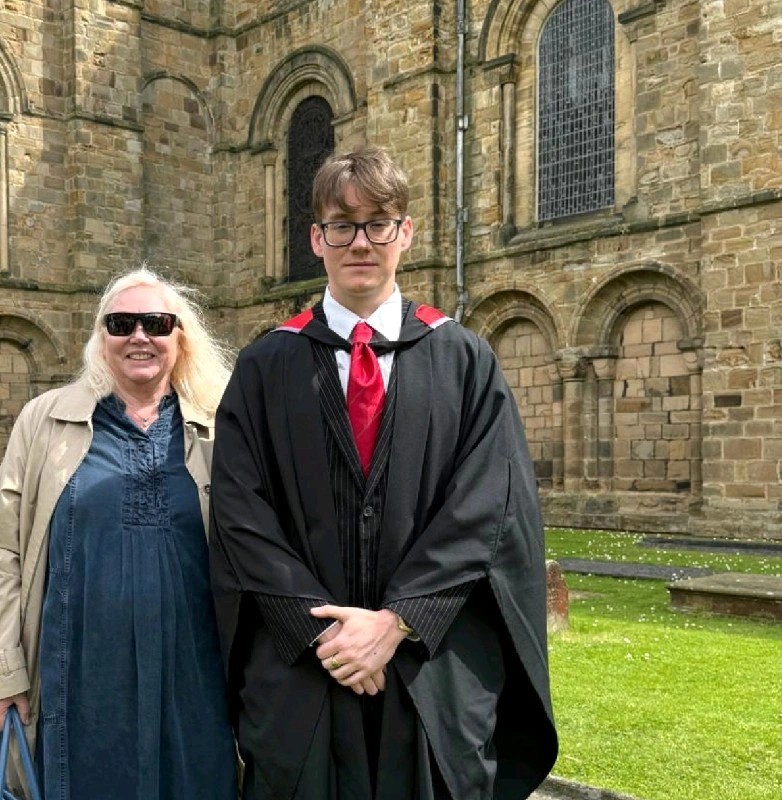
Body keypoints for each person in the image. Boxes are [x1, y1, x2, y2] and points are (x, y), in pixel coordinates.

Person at [209, 146, 558, 800]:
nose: (361, 242)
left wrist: (397, 620)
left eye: (379, 223)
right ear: (316, 239)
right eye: (342, 225)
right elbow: (239, 514)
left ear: (407, 233)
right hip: (303, 673)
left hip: (431, 669)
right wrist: (329, 634)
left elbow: (490, 504)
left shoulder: (463, 360)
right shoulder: (264, 368)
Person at [0, 267, 239, 800]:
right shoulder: (44, 421)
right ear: (100, 337)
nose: (139, 336)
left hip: (195, 678)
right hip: (79, 679)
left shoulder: (222, 424)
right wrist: (6, 671)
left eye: (156, 322)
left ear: (181, 336)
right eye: (121, 323)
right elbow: (4, 551)